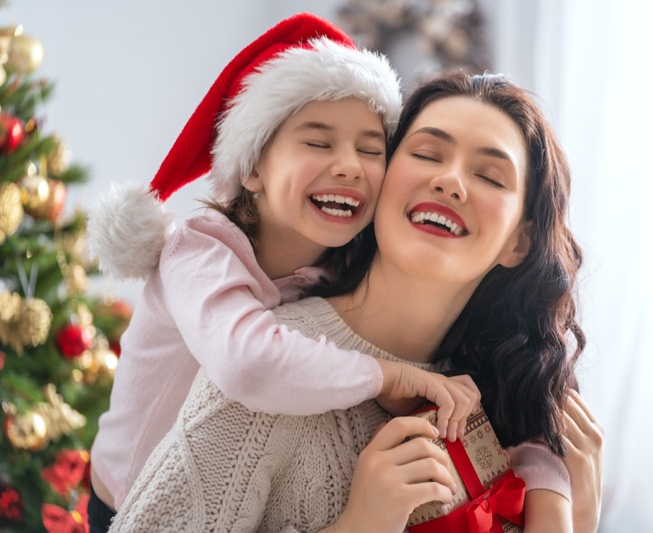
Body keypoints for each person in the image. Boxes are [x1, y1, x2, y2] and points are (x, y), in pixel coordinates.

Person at [108, 70, 602, 532]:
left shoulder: (507, 394)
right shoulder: (275, 370)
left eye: (491, 177)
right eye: (427, 154)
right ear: (382, 180)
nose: (450, 181)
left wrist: (578, 512)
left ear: (519, 242)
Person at [86, 13, 482, 532]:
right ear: (253, 169)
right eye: (319, 143)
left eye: (370, 148)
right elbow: (248, 364)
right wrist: (385, 376)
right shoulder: (198, 251)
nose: (350, 166)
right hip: (130, 502)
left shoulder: (340, 266)